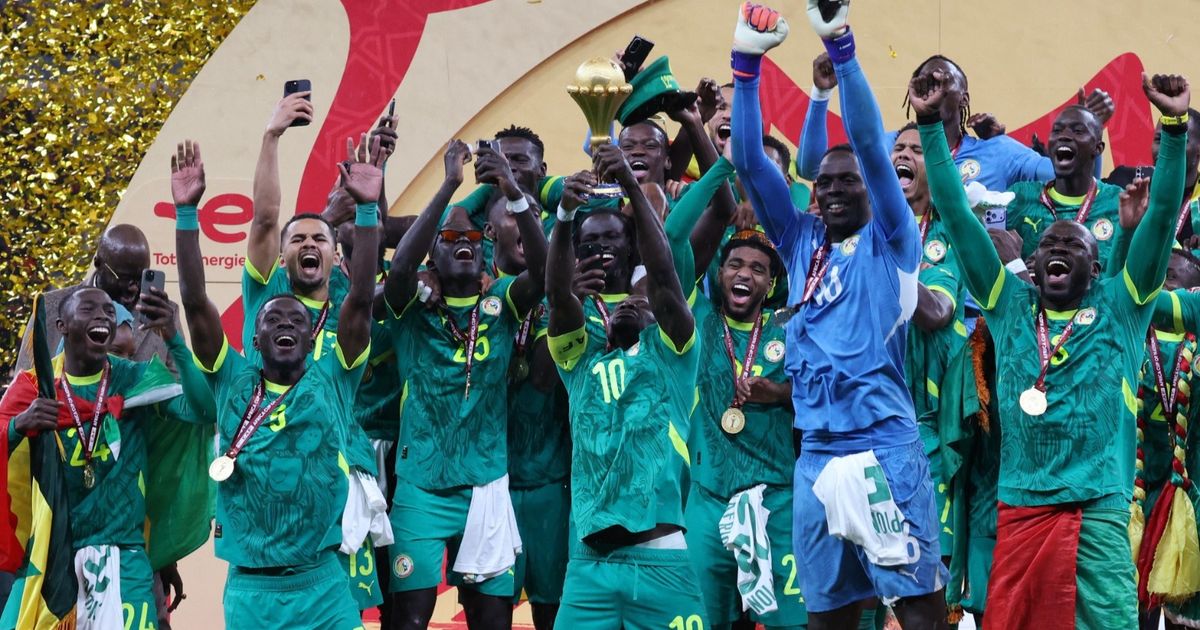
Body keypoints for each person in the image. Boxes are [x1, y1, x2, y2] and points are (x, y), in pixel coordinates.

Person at [915, 57, 1190, 629]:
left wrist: (1172, 129)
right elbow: (958, 216)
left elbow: (1163, 216)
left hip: (1098, 515)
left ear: (1098, 267)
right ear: (1033, 264)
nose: (1059, 247)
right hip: (1021, 512)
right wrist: (930, 127)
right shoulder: (1008, 304)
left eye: (1075, 245)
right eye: (1049, 245)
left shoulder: (1122, 304)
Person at [730, 3, 949, 628]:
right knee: (827, 619)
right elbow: (749, 163)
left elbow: (874, 152)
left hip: (882, 450)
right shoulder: (800, 241)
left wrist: (842, 50)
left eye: (845, 181)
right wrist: (745, 68)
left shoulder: (891, 238)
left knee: (920, 615)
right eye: (823, 182)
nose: (829, 190)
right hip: (814, 457)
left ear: (871, 190)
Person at [172, 135, 382, 628]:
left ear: (313, 337)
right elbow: (196, 303)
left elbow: (360, 300)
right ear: (254, 336)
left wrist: (368, 212)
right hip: (252, 591)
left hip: (323, 585)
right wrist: (186, 215)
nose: (285, 323)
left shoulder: (335, 378)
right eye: (272, 319)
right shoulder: (231, 378)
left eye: (296, 321)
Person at [381, 141, 547, 630]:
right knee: (408, 620)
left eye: (474, 238)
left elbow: (542, 272)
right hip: (420, 488)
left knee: (490, 621)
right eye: (450, 237)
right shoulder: (410, 307)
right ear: (431, 255)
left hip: (485, 485)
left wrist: (512, 190)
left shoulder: (503, 301)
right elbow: (400, 268)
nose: (464, 241)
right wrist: (450, 183)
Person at [546, 139, 705, 629]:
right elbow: (558, 299)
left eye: (612, 239)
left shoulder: (674, 346)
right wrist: (564, 216)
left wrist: (633, 186)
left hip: (662, 560)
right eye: (588, 244)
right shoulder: (580, 353)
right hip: (589, 567)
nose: (600, 250)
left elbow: (665, 275)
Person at [0, 279, 211, 629]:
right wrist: (17, 427)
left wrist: (174, 339)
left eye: (109, 312)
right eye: (88, 309)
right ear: (62, 325)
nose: (102, 316)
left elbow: (204, 410)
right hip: (53, 560)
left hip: (124, 558)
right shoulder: (34, 387)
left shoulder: (138, 379)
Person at [481, 192, 571, 630]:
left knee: (551, 609)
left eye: (536, 215)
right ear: (490, 232)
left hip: (549, 482)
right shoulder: (471, 290)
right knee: (489, 610)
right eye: (516, 215)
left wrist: (563, 300)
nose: (528, 222)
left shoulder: (563, 298)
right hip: (489, 483)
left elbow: (542, 379)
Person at [1004, 106, 1125, 271]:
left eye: (1078, 131)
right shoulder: (1019, 198)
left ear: (1097, 148)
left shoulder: (1118, 204)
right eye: (1057, 130)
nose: (1064, 136)